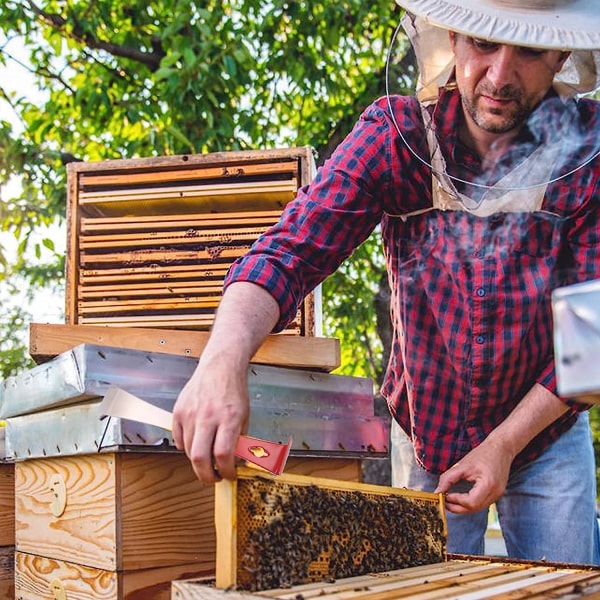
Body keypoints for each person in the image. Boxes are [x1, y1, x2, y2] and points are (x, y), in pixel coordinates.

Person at [173, 0, 600, 565]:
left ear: (562, 55)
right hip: (426, 433)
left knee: (567, 584)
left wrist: (503, 445)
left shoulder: (589, 155)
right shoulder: (395, 136)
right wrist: (220, 363)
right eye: (483, 43)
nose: (499, 76)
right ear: (451, 36)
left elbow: (591, 338)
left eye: (528, 51)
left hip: (546, 433)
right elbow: (289, 252)